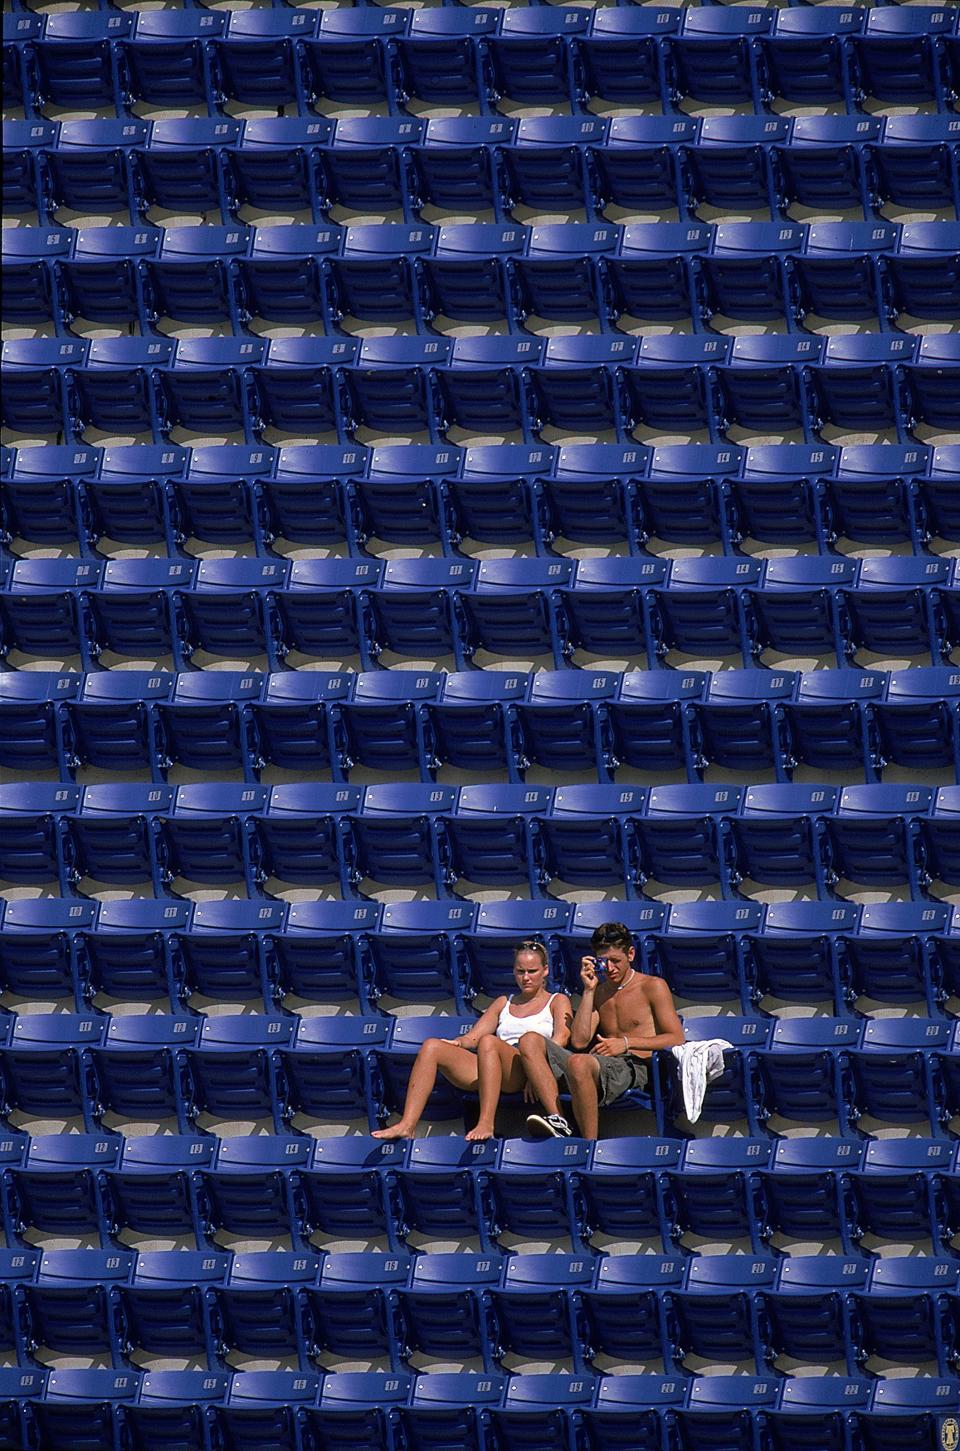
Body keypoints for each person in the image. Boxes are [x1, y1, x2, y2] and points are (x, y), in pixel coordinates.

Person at [372, 941, 572, 1142]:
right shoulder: (504, 1001)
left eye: (532, 971)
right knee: (432, 1046)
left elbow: (562, 1037)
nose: (526, 977)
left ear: (545, 971)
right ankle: (407, 1125)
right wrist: (458, 1043)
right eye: (520, 971)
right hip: (492, 1064)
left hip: (523, 1066)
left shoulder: (556, 1000)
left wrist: (537, 1069)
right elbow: (473, 1037)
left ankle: (486, 1123)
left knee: (488, 1042)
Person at [521, 920, 684, 1140]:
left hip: (635, 1064)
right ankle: (559, 1121)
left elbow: (676, 1038)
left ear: (631, 954)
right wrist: (588, 991)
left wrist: (626, 1043)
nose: (609, 968)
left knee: (579, 1062)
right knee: (530, 1040)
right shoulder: (600, 991)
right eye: (603, 961)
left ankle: (589, 1144)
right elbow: (579, 1041)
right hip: (600, 1063)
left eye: (615, 961)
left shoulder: (652, 986)